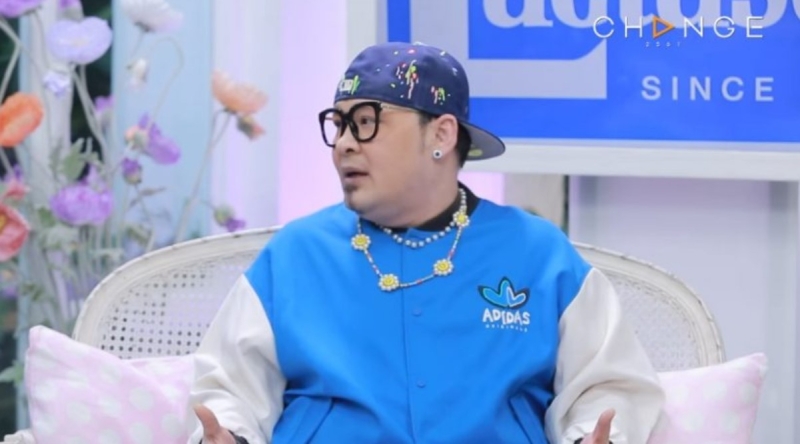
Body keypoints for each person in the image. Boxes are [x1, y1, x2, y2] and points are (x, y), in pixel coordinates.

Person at [188, 41, 665, 444]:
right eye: (339, 125)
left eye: (366, 122)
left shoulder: (537, 253)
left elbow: (608, 384)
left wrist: (595, 436)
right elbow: (229, 388)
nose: (345, 144)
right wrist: (231, 434)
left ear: (441, 133)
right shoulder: (296, 254)